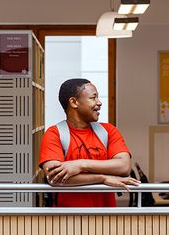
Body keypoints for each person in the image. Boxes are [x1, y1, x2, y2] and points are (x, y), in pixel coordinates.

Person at [39, 78, 139, 207]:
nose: (99, 103)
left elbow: (124, 166)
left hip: (105, 219)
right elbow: (56, 178)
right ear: (74, 102)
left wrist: (81, 165)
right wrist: (102, 178)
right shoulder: (54, 134)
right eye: (93, 98)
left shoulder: (108, 131)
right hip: (65, 220)